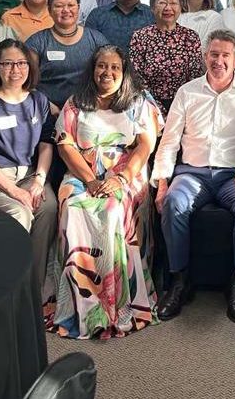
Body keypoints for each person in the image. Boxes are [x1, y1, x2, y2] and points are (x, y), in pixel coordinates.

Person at [49, 45, 163, 339]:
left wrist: (122, 178)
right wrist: (89, 180)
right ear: (93, 69)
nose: (107, 72)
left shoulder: (138, 102)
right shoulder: (76, 102)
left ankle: (114, 304)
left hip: (126, 172)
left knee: (112, 210)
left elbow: (145, 146)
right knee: (74, 208)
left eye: (115, 67)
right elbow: (65, 145)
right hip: (82, 172)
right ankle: (79, 304)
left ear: (124, 73)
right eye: (102, 66)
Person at [152, 30, 235, 323]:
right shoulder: (187, 92)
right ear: (205, 57)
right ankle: (179, 280)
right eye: (214, 54)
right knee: (174, 202)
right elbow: (169, 141)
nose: (219, 61)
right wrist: (162, 182)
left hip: (234, 175)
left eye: (225, 55)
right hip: (193, 173)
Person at [0, 39, 57, 295]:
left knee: (49, 207)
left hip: (30, 174)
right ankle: (5, 287)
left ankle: (34, 288)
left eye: (21, 63)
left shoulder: (38, 100)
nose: (15, 69)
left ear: (29, 67)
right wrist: (14, 191)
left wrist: (39, 180)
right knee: (19, 213)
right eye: (8, 63)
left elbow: (46, 145)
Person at [26, 0, 108, 113]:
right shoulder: (37, 42)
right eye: (59, 6)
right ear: (49, 10)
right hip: (47, 112)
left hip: (88, 111)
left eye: (71, 5)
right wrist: (46, 105)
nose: (65, 10)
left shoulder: (96, 39)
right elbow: (26, 82)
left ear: (78, 8)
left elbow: (110, 73)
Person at [129, 0, 203, 116]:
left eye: (174, 3)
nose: (168, 8)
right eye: (162, 2)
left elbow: (195, 78)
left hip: (185, 108)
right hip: (149, 110)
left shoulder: (191, 37)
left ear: (181, 6)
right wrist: (158, 111)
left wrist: (178, 110)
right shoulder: (140, 37)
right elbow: (137, 79)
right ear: (152, 6)